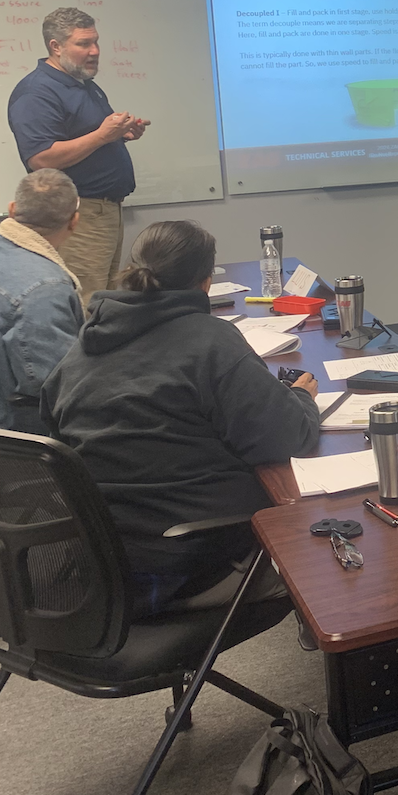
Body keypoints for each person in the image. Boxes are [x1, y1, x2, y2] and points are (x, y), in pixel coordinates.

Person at [40, 219, 320, 615]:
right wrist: (300, 398)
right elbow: (287, 437)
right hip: (189, 559)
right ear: (205, 283)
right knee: (325, 542)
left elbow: (53, 434)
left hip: (101, 558)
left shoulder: (85, 344)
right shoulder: (210, 341)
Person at [7, 6, 150, 306]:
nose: (95, 51)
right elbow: (42, 158)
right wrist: (102, 135)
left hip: (106, 212)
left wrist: (123, 132)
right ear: (55, 47)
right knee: (87, 305)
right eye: (83, 44)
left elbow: (95, 136)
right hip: (78, 217)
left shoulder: (85, 86)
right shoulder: (37, 92)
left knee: (105, 302)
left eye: (96, 42)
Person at [0, 169, 83, 434]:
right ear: (74, 221)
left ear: (12, 209)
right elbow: (55, 387)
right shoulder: (45, 289)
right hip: (10, 429)